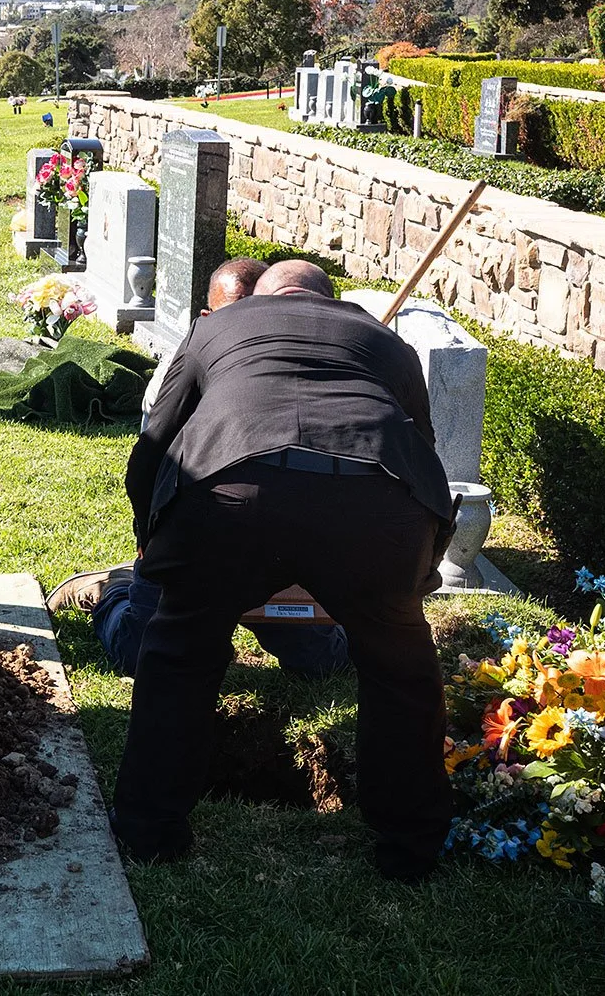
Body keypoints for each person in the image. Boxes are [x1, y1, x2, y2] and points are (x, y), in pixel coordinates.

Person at [112, 260, 456, 881]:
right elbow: (422, 450)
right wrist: (421, 565)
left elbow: (156, 440)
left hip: (230, 495)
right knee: (401, 670)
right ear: (331, 300)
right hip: (374, 507)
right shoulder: (387, 342)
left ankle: (148, 829)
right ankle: (411, 848)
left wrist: (155, 545)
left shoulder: (217, 326)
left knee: (181, 649)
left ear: (259, 298)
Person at [46, 257, 351, 679]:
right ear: (208, 319)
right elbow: (152, 467)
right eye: (235, 313)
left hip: (285, 543)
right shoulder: (185, 368)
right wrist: (150, 548)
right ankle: (111, 589)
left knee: (322, 664)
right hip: (203, 533)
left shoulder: (341, 362)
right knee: (145, 656)